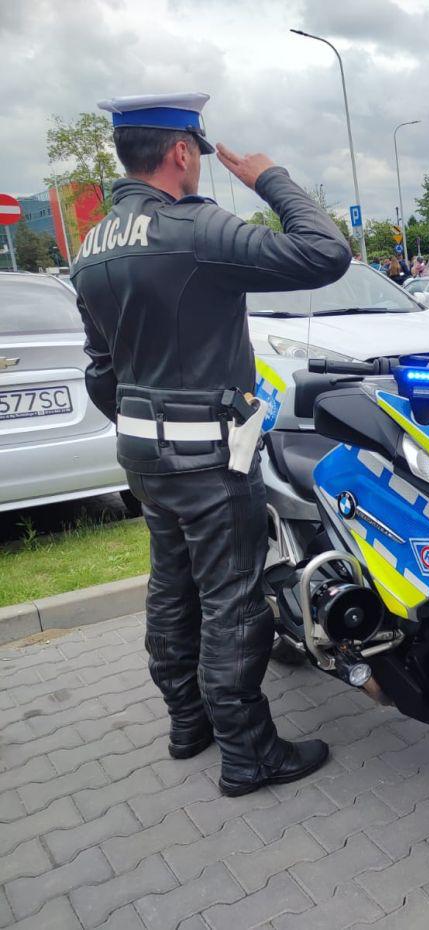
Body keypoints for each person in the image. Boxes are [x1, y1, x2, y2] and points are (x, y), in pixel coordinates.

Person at [72, 93, 351, 795]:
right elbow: (325, 252)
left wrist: (147, 428)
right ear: (180, 152)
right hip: (209, 458)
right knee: (232, 599)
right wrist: (269, 179)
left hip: (144, 458)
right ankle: (248, 752)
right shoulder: (194, 228)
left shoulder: (92, 246)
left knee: (172, 588)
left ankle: (187, 722)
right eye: (195, 151)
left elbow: (101, 369)